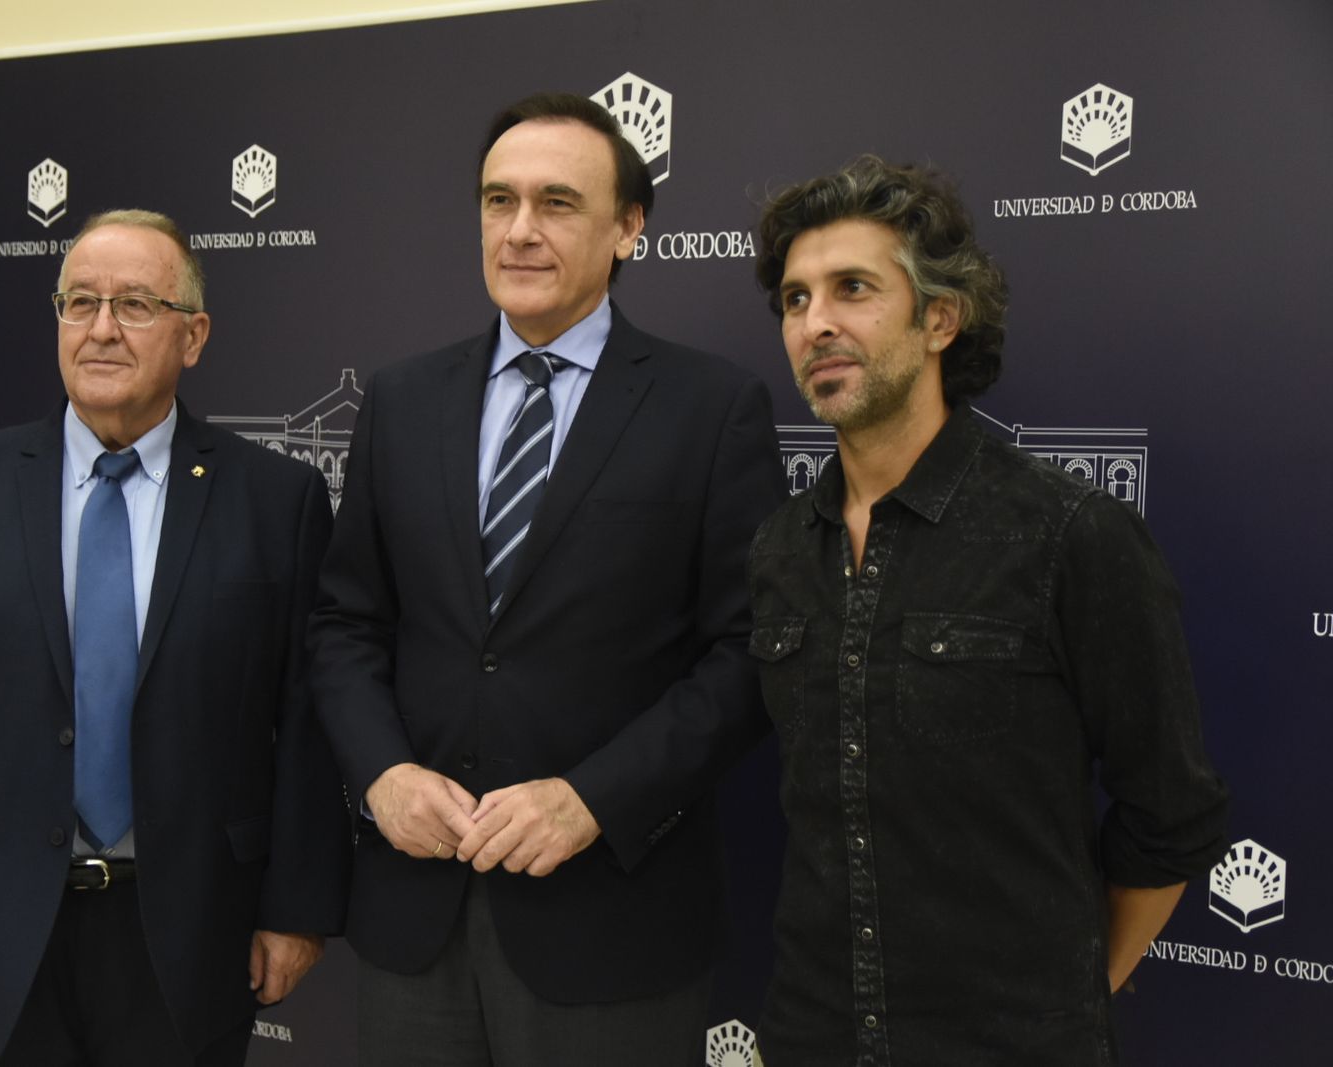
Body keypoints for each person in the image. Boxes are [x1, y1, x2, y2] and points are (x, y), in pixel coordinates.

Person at [309, 92, 786, 1066]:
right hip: (415, 914)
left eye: (557, 203)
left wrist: (594, 797)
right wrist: (382, 774)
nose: (519, 230)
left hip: (611, 916)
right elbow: (346, 620)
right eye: (498, 200)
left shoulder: (710, 406)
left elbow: (748, 653)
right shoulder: (402, 398)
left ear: (628, 228)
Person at [0, 209, 350, 1067]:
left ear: (194, 335)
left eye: (136, 305)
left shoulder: (275, 501)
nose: (101, 328)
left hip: (187, 934)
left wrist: (296, 906)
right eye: (80, 302)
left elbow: (308, 720)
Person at [747, 156, 1229, 1065]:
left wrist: (1065, 1001)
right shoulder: (779, 548)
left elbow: (1171, 815)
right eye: (796, 299)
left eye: (852, 288)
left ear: (940, 317)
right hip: (810, 1033)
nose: (818, 323)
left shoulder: (1071, 534)